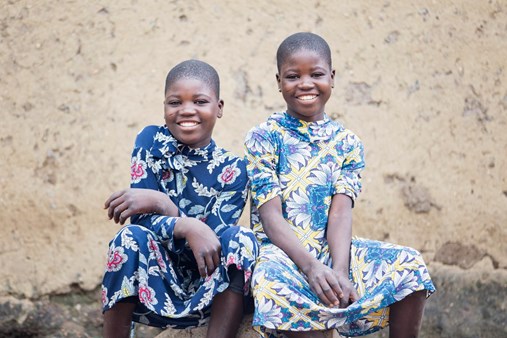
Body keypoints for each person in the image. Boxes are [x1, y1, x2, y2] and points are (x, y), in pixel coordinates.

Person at [244, 32, 436, 338]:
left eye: (316, 74)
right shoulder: (264, 137)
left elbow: (340, 213)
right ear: (279, 81)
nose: (305, 84)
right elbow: (270, 216)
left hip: (333, 250)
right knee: (269, 280)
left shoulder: (347, 143)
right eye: (293, 76)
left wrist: (340, 271)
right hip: (282, 253)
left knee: (410, 264)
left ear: (331, 78)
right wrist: (310, 267)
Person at [101, 59, 258, 338]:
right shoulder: (150, 141)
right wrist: (186, 225)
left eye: (200, 101)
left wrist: (164, 205)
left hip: (209, 290)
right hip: (156, 282)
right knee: (128, 238)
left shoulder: (234, 170)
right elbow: (142, 222)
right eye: (175, 102)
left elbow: (211, 248)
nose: (187, 110)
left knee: (242, 240)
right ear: (164, 107)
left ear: (218, 108)